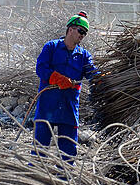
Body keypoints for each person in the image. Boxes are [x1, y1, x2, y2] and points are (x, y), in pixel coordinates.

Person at [32, 11, 99, 164]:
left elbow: (91, 71)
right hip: (47, 106)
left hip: (69, 108)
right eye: (81, 31)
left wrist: (101, 78)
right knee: (39, 151)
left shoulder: (83, 55)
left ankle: (64, 181)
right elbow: (41, 69)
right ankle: (34, 179)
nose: (83, 35)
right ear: (71, 29)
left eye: (85, 33)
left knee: (68, 154)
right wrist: (58, 78)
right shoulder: (51, 47)